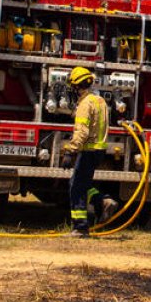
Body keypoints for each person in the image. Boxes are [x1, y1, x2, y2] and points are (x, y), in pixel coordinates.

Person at [60, 66, 114, 237]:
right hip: (99, 150)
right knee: (83, 184)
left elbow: (82, 132)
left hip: (88, 151)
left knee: (76, 187)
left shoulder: (84, 104)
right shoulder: (100, 101)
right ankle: (103, 202)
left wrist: (70, 151)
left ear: (77, 86)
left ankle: (81, 227)